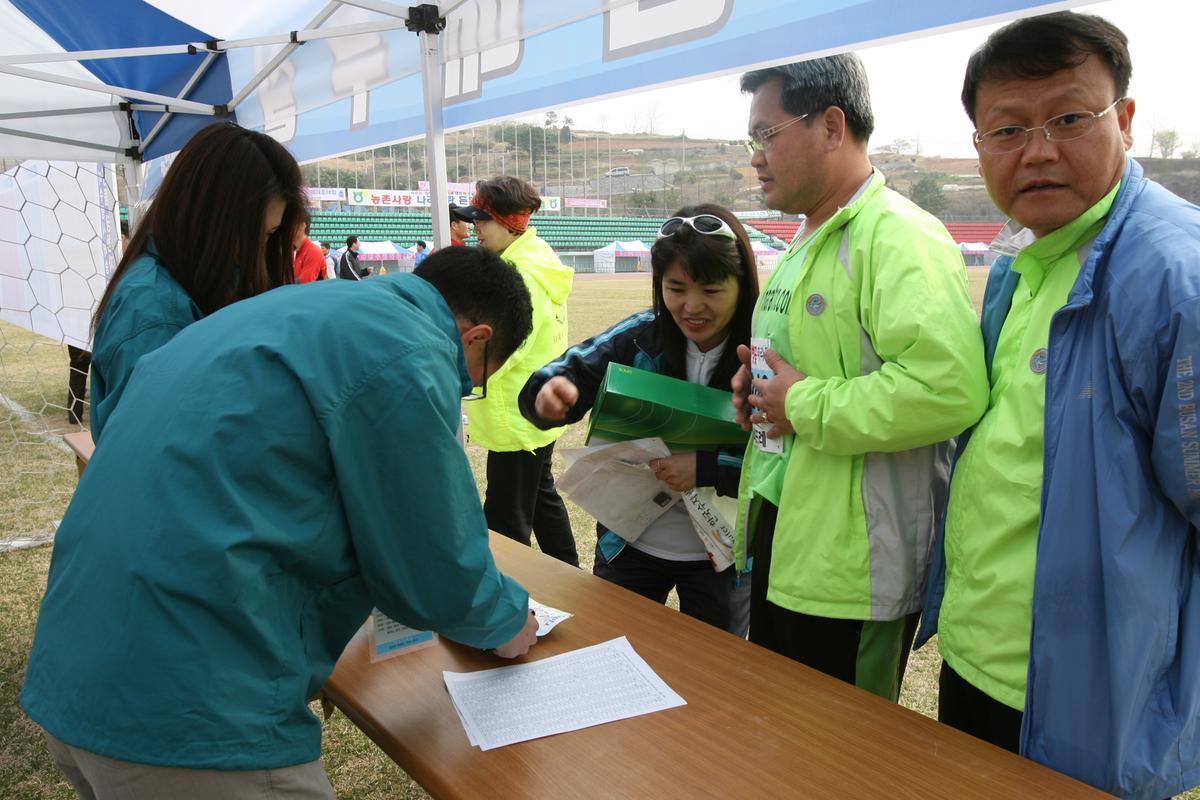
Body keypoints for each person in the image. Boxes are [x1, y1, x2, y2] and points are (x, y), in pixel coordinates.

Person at [22, 247, 540, 799]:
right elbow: (433, 559)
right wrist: (507, 622)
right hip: (191, 705)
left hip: (78, 669)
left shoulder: (289, 308)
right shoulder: (406, 347)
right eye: (474, 380)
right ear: (477, 337)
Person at [916, 12, 1200, 798]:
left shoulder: (1177, 278)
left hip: (1098, 705)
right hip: (979, 664)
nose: (1037, 150)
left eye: (1070, 118)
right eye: (1006, 130)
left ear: (1128, 121)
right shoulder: (1019, 262)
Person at [732, 54, 988, 700]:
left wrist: (803, 403)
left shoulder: (900, 237)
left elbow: (948, 389)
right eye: (751, 141)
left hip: (853, 577)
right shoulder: (802, 242)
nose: (755, 157)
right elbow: (795, 376)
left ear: (831, 125)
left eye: (767, 136)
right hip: (785, 544)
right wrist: (758, 397)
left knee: (843, 768)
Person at [520, 204, 759, 635]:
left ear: (742, 285)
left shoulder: (763, 356)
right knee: (610, 655)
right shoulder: (640, 336)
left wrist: (705, 467)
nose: (692, 306)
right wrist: (550, 393)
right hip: (629, 546)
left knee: (713, 680)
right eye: (676, 288)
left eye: (711, 290)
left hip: (722, 561)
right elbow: (565, 370)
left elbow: (785, 463)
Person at [88, 123, 305, 442]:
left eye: (269, 236)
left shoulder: (195, 278)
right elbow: (159, 452)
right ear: (208, 217)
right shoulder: (154, 313)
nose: (257, 252)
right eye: (251, 235)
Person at [456, 176, 578, 566]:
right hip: (533, 410)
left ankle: (510, 602)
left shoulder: (517, 275)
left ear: (510, 224)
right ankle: (573, 576)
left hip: (514, 415)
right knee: (542, 499)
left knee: (505, 523)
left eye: (482, 220)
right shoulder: (536, 260)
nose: (475, 227)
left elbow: (504, 344)